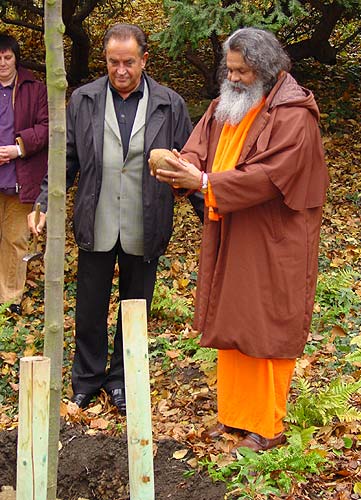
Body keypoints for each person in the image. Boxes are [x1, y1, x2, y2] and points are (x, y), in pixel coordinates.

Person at [153, 27, 329, 452]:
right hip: (231, 226)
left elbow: (269, 176)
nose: (233, 79)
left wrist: (205, 180)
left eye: (242, 72)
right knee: (233, 318)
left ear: (267, 71)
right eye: (229, 70)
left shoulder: (294, 114)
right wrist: (180, 165)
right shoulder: (224, 106)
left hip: (274, 237)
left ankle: (268, 426)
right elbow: (199, 147)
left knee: (266, 324)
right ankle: (234, 416)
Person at [28, 23, 199, 414]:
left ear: (144, 60)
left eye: (128, 62)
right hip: (97, 220)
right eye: (112, 62)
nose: (120, 70)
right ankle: (86, 380)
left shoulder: (169, 104)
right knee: (89, 306)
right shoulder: (84, 100)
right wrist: (43, 203)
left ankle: (123, 379)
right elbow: (66, 159)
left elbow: (191, 163)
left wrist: (212, 215)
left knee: (134, 307)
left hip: (146, 221)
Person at [0, 34, 48, 315]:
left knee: (16, 240)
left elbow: (46, 127)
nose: (3, 63)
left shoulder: (35, 89)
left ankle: (9, 301)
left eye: (8, 57)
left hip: (20, 178)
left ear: (16, 58)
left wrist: (18, 148)